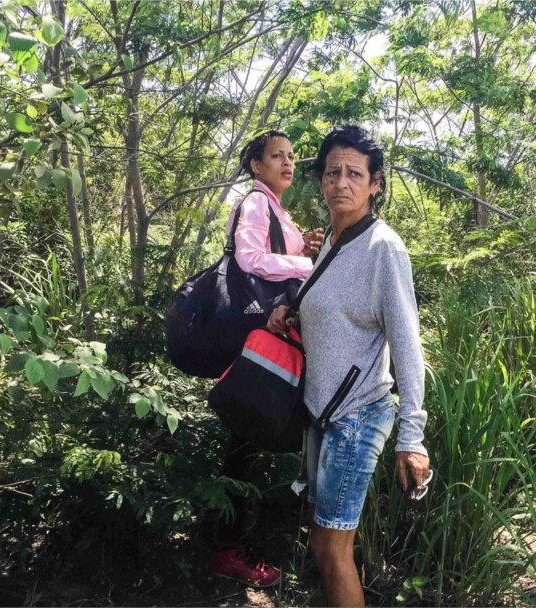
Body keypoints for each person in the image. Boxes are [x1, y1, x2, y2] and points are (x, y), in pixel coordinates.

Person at [268, 125, 431, 607]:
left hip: (355, 419)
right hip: (321, 414)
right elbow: (334, 309)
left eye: (355, 173)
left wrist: (412, 437)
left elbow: (407, 346)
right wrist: (291, 311)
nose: (342, 182)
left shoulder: (383, 248)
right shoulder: (331, 243)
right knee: (323, 545)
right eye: (333, 172)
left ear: (375, 184)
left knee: (333, 550)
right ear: (321, 181)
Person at [211, 130, 325, 587]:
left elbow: (274, 256)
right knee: (245, 442)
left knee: (250, 439)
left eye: (292, 156)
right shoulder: (256, 203)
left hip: (269, 338)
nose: (288, 163)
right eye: (276, 156)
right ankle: (229, 550)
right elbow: (250, 258)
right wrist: (309, 266)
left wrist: (302, 246)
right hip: (258, 339)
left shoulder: (275, 209)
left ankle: (237, 541)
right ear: (255, 165)